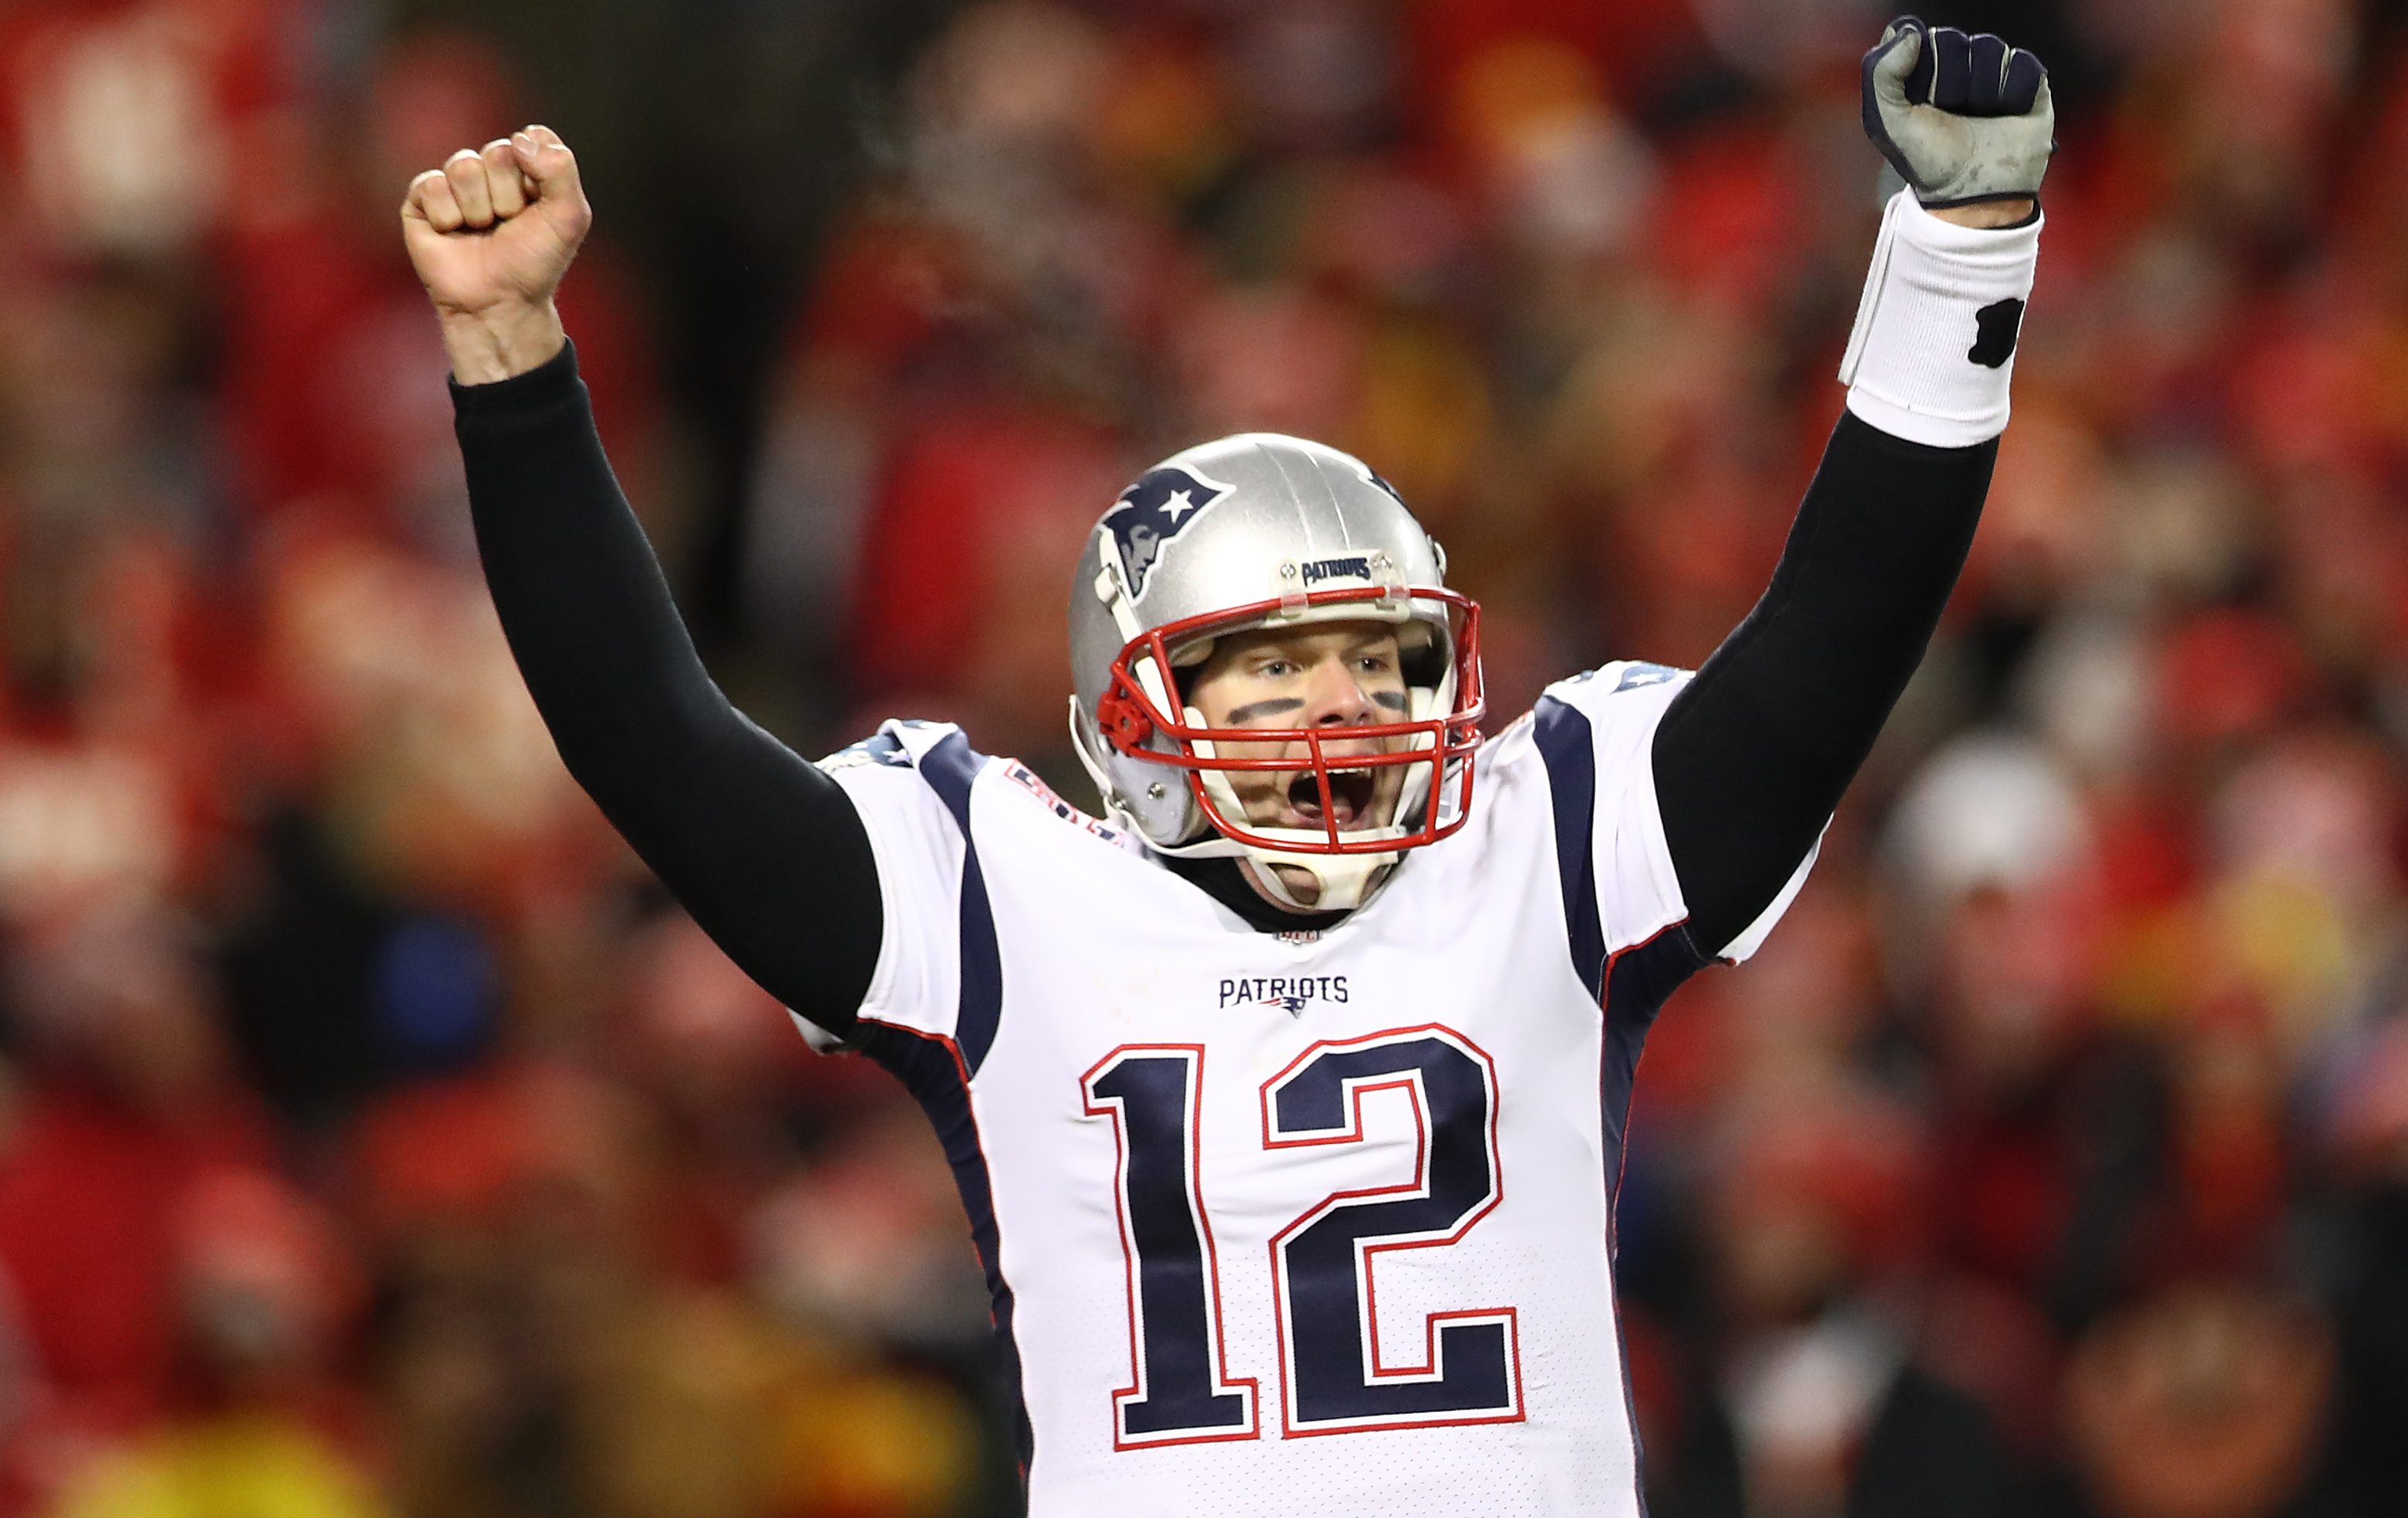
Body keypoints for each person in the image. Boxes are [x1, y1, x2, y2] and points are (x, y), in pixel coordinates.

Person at [400, 19, 2052, 1514]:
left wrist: (1955, 262)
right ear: (1129, 711)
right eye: (1267, 669)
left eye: (1380, 659)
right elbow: (654, 745)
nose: (1338, 706)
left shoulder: (1536, 850)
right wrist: (511, 364)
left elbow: (1829, 652)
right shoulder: (1002, 897)